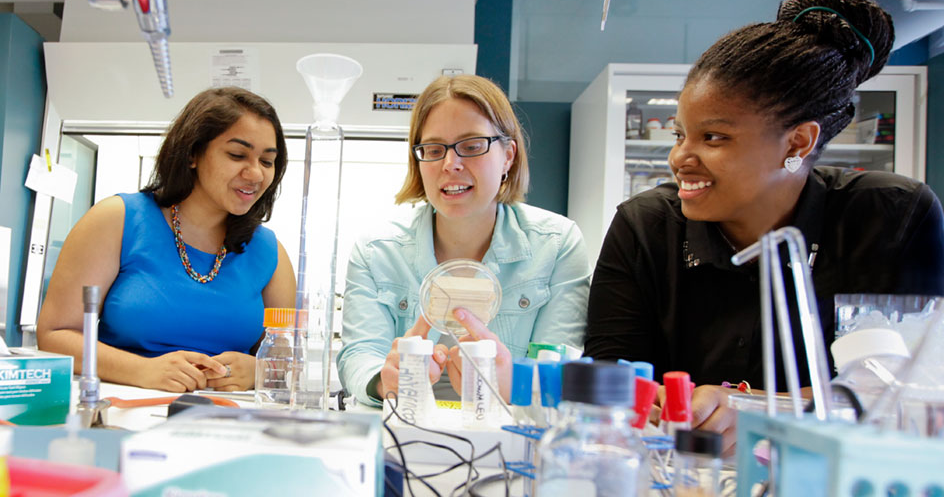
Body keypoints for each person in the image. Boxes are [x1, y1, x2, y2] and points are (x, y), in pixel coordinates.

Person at [584, 0, 944, 452]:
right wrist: (648, 401)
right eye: (681, 134)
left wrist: (759, 410)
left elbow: (914, 395)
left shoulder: (890, 216)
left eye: (713, 138)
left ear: (797, 143)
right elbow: (609, 376)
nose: (681, 158)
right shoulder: (646, 225)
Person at [337, 75, 591, 406]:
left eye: (471, 146)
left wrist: (513, 383)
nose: (450, 164)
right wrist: (384, 380)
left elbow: (561, 366)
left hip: (508, 438)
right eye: (433, 149)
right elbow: (358, 355)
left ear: (508, 156)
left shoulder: (556, 243)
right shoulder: (376, 250)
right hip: (399, 436)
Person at [37, 87, 296, 393]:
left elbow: (287, 361)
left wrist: (260, 370)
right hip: (122, 414)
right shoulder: (117, 220)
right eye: (237, 155)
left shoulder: (270, 253)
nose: (255, 174)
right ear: (191, 154)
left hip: (226, 424)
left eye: (267, 161)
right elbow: (54, 334)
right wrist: (142, 370)